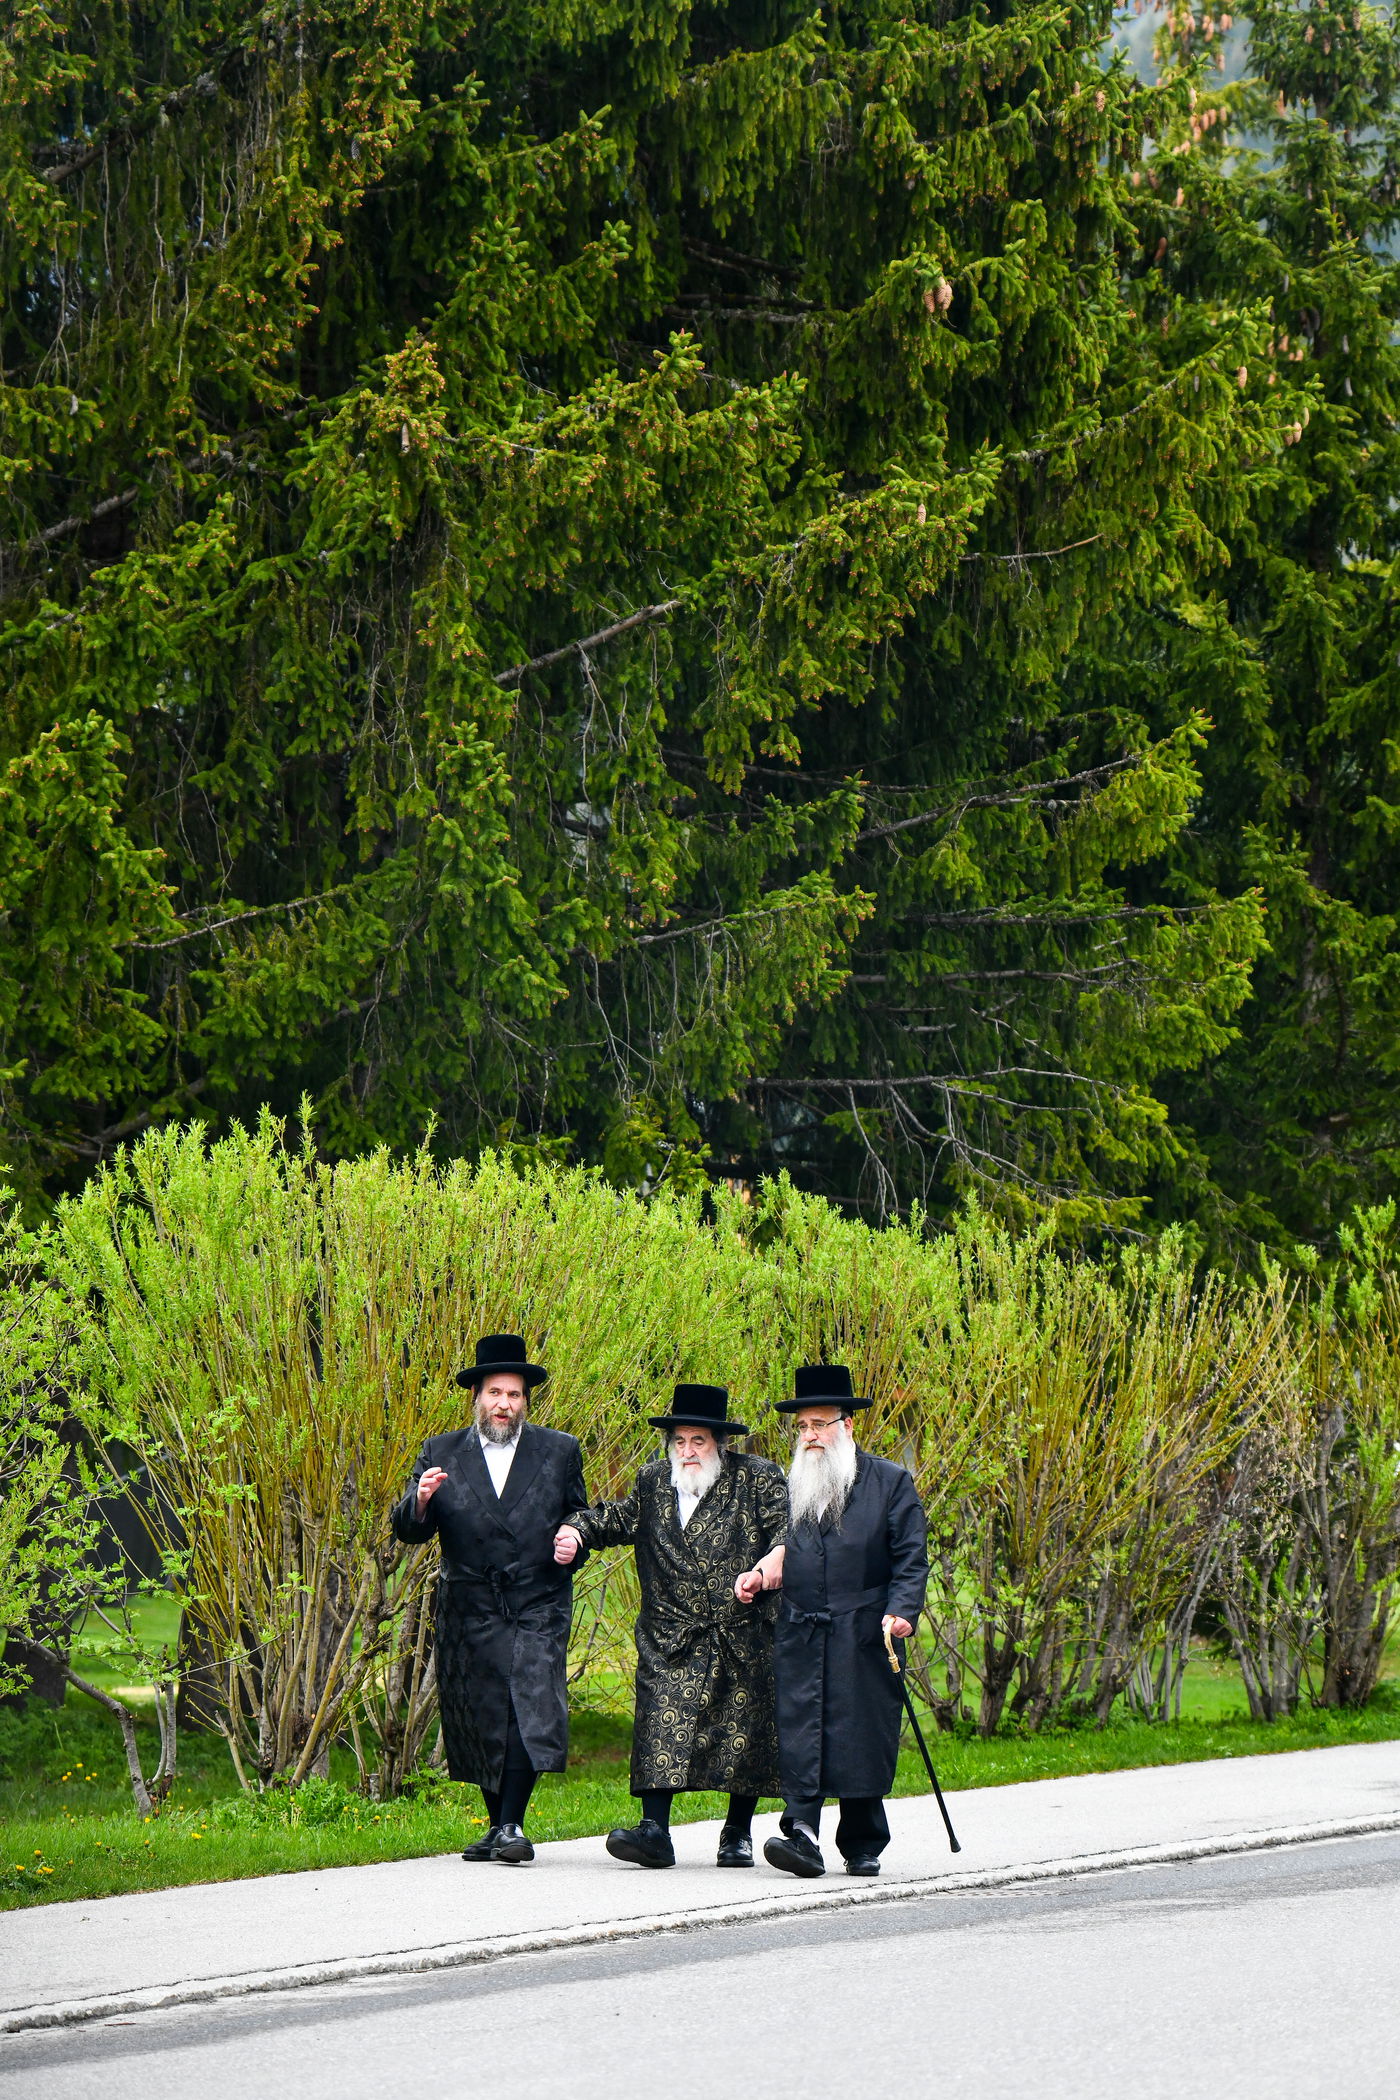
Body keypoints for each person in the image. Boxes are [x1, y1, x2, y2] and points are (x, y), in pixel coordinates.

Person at [554, 1382, 786, 1869]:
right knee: (659, 1721)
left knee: (742, 1731)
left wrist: (764, 1573)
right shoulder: (654, 1481)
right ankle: (654, 1831)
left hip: (739, 1630)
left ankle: (737, 1833)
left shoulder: (758, 1478)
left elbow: (788, 1535)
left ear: (720, 1444)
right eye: (679, 1441)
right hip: (671, 1633)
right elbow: (614, 1519)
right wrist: (577, 1530)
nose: (688, 1451)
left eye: (698, 1441)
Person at [390, 1332, 587, 1865]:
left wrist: (575, 1537)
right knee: (480, 1714)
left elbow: (579, 1513)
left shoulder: (559, 1449)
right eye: (495, 1393)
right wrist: (421, 1501)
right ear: (476, 1395)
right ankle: (500, 1823)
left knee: (528, 1707)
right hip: (470, 1605)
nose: (505, 1404)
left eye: (515, 1395)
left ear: (526, 1400)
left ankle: (512, 1822)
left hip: (536, 1599)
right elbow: (406, 1527)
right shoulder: (440, 1451)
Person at [749, 1363, 928, 1881]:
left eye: (820, 1425)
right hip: (802, 1628)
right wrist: (761, 1571)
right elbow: (781, 1545)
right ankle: (800, 1834)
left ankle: (863, 1841)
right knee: (802, 1729)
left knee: (860, 1734)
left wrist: (902, 1610)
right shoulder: (792, 1486)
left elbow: (911, 1557)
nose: (810, 1436)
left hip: (866, 1630)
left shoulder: (890, 1482)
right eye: (803, 1427)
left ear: (847, 1426)